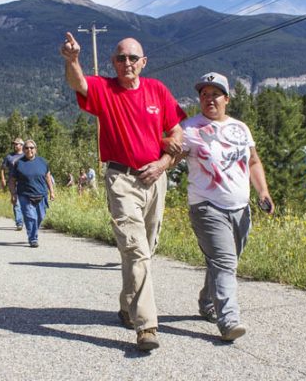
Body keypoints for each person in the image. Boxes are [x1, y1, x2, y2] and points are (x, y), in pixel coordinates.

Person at [61, 32, 186, 351]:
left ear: (143, 62)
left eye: (133, 58)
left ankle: (128, 304)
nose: (127, 62)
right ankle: (147, 327)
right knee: (135, 249)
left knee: (148, 247)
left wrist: (164, 163)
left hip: (156, 178)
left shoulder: (157, 90)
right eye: (121, 58)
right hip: (122, 179)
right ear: (112, 63)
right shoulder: (104, 89)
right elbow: (79, 84)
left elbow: (176, 132)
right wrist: (72, 60)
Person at [180, 72, 274, 342]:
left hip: (241, 208)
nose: (209, 99)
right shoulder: (190, 129)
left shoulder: (240, 128)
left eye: (215, 94)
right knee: (225, 262)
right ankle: (229, 320)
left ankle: (208, 302)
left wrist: (263, 191)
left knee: (223, 261)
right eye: (204, 94)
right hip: (207, 207)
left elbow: (253, 162)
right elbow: (172, 154)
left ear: (227, 99)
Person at [8, 140, 55, 248]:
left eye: (31, 148)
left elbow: (48, 177)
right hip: (25, 195)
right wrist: (13, 194)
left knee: (40, 217)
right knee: (30, 217)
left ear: (35, 149)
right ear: (23, 150)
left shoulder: (43, 162)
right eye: (27, 148)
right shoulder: (19, 163)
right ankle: (33, 238)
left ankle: (33, 231)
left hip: (41, 194)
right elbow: (12, 180)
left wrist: (51, 191)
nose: (29, 150)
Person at [0, 137, 25, 231]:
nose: (15, 145)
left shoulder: (25, 155)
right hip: (12, 182)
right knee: (16, 201)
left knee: (25, 201)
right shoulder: (9, 156)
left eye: (17, 144)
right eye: (14, 144)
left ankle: (26, 219)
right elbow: (2, 168)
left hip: (24, 181)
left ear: (22, 145)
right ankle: (19, 222)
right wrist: (3, 179)